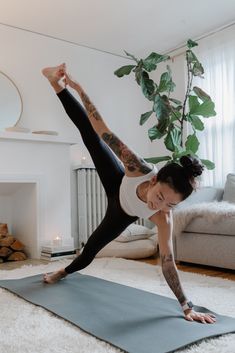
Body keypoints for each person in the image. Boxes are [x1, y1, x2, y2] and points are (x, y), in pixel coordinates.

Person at [42, 64, 216, 324]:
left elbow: (168, 263)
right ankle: (55, 83)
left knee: (89, 252)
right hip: (118, 183)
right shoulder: (137, 166)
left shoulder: (163, 217)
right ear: (154, 179)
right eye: (160, 197)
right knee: (91, 137)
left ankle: (64, 271)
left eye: (170, 205)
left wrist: (186, 306)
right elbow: (102, 128)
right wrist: (79, 88)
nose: (160, 206)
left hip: (121, 213)